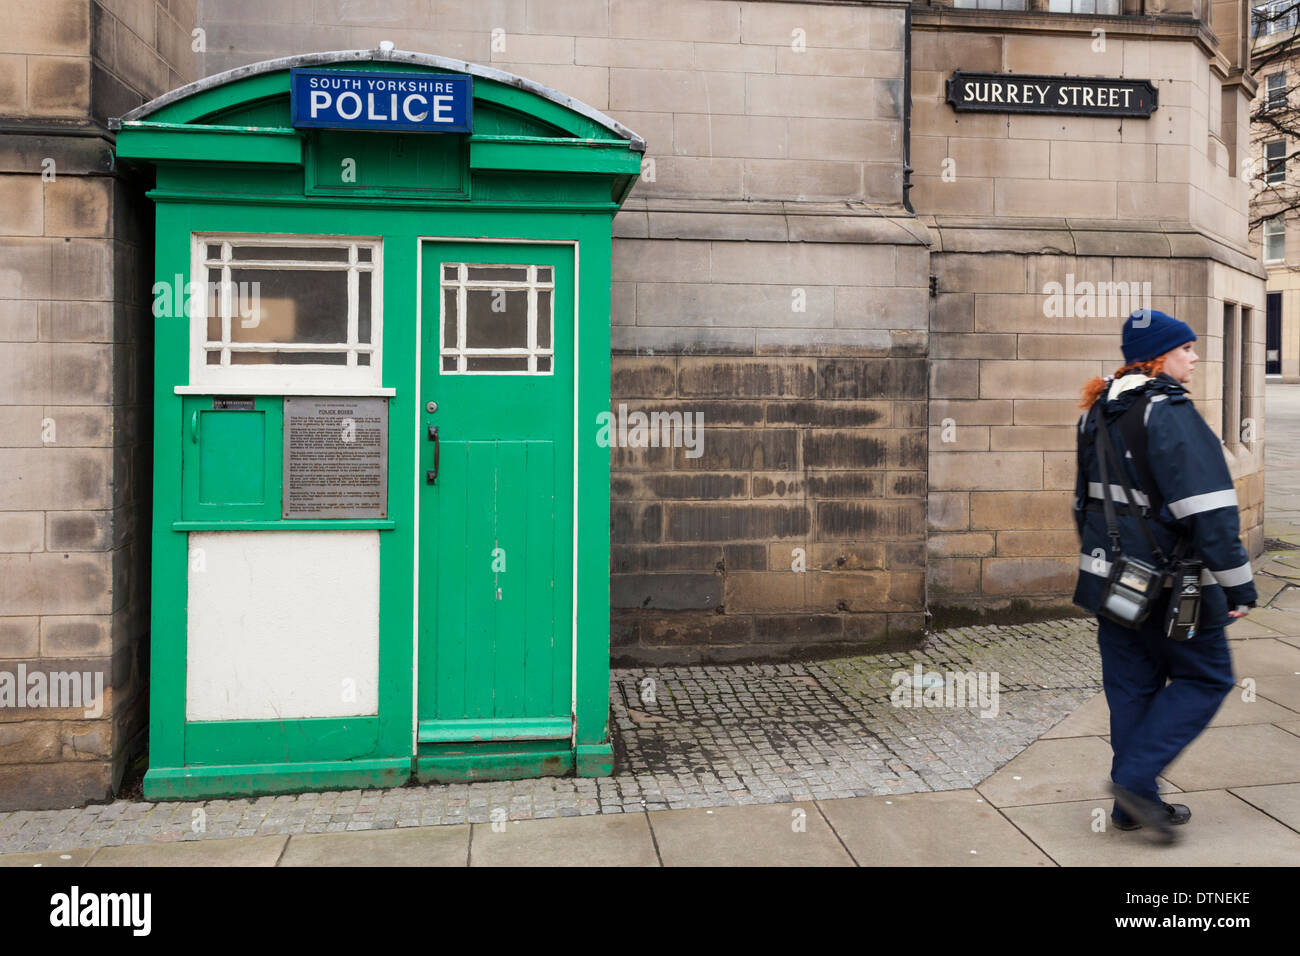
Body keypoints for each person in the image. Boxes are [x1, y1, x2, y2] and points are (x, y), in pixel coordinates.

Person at [1072, 308, 1258, 842]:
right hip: (1173, 582)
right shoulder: (1168, 411)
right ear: (1158, 357)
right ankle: (1133, 781)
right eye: (1186, 349)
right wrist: (1239, 584)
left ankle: (1136, 805)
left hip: (1112, 580)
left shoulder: (1098, 411)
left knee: (1133, 686)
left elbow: (1084, 505)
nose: (1195, 357)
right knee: (1207, 677)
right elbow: (1210, 510)